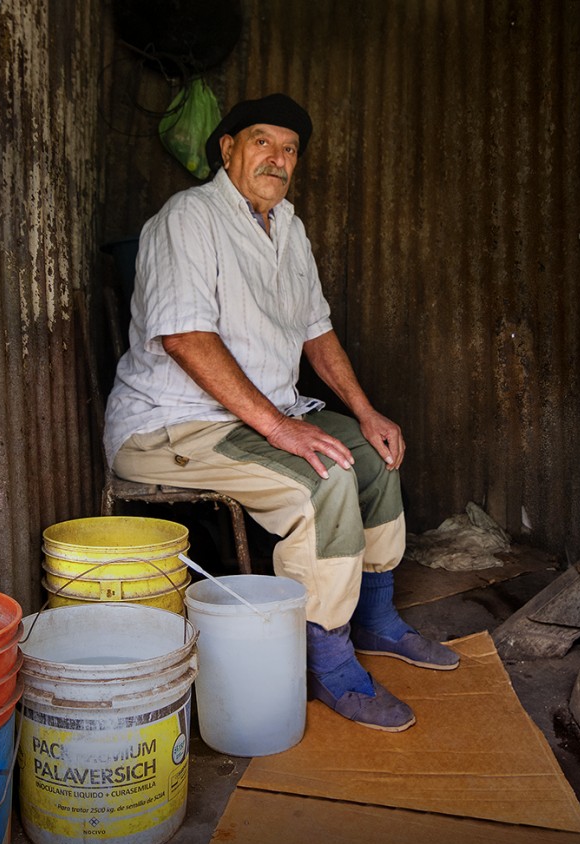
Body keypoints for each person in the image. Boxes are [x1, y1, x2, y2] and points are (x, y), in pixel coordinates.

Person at [103, 92, 458, 733]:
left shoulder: (287, 227)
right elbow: (185, 338)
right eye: (262, 142)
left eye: (290, 149)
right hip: (175, 423)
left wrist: (367, 412)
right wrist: (280, 428)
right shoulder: (189, 218)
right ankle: (327, 660)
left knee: (372, 457)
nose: (278, 158)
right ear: (228, 149)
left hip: (260, 414)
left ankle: (375, 618)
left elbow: (316, 334)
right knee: (323, 480)